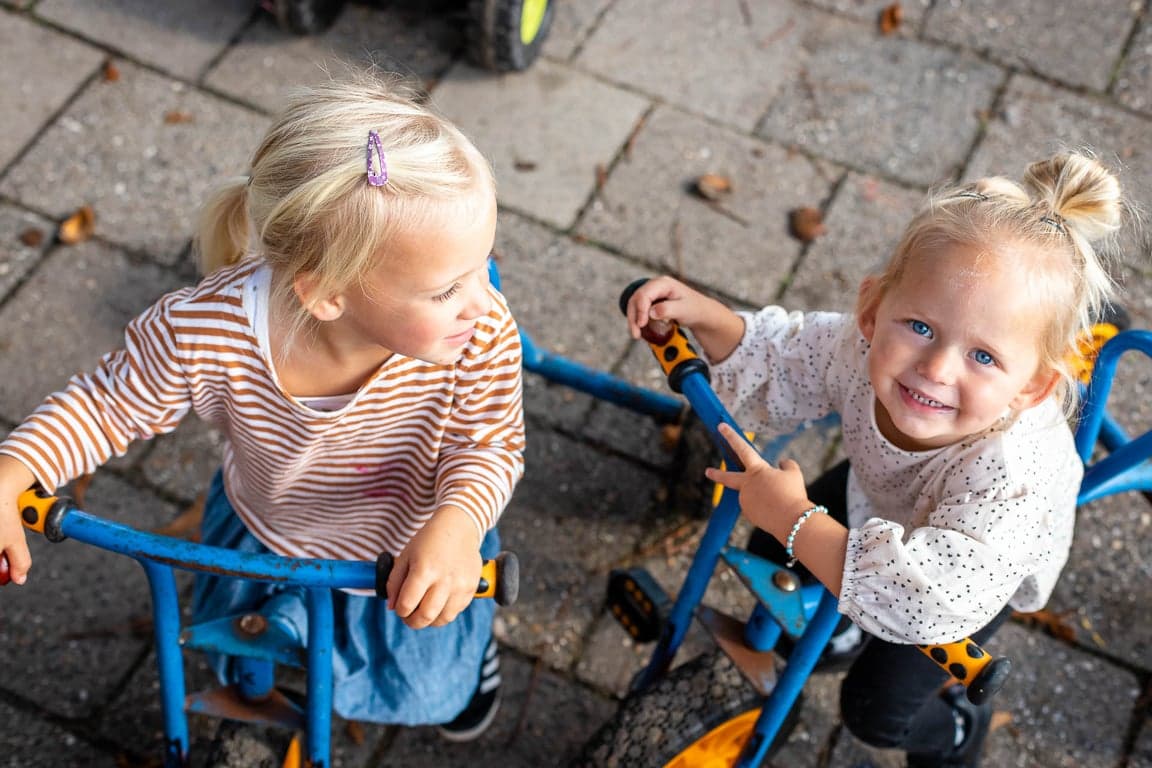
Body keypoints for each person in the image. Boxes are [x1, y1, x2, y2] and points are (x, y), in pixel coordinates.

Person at [0, 71, 525, 741]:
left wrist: (458, 523)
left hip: (412, 543)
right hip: (271, 527)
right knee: (236, 649)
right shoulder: (207, 332)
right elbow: (107, 405)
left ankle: (470, 653)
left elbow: (487, 442)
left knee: (433, 683)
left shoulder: (479, 332)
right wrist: (14, 470)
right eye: (448, 287)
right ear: (327, 296)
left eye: (481, 265)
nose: (483, 301)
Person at [625, 150, 1125, 767]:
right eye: (919, 326)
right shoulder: (860, 346)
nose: (936, 369)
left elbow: (931, 599)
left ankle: (957, 736)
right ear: (872, 310)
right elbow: (784, 358)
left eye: (985, 357)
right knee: (767, 553)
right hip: (880, 498)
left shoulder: (1011, 479)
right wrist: (707, 317)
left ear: (1032, 388)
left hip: (963, 570)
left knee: (875, 713)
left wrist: (799, 521)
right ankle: (845, 616)